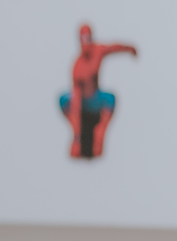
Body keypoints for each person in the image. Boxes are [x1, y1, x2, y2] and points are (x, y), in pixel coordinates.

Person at [59, 23, 138, 159]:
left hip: (96, 97)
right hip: (82, 102)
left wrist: (129, 48)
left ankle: (100, 132)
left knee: (111, 98)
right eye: (82, 38)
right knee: (63, 99)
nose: (86, 42)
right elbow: (76, 100)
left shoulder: (98, 50)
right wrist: (77, 137)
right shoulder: (77, 67)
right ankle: (79, 135)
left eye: (87, 37)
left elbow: (114, 47)